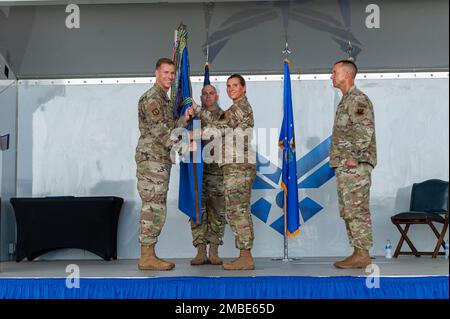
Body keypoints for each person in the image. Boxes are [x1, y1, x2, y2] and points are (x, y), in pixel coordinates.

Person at [189, 74, 257, 270]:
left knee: (238, 212)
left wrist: (192, 133)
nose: (231, 89)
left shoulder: (240, 108)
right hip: (234, 166)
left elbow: (217, 128)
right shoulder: (234, 109)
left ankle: (245, 257)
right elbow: (218, 122)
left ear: (244, 88)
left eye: (235, 85)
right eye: (228, 86)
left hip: (239, 167)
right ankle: (244, 255)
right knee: (238, 212)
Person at [135, 57, 192, 271]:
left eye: (172, 73)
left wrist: (185, 119)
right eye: (165, 72)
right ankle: (146, 256)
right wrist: (185, 147)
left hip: (159, 161)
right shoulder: (152, 98)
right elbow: (162, 133)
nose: (169, 77)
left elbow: (171, 127)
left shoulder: (164, 100)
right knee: (153, 206)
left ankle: (149, 254)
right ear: (156, 72)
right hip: (151, 161)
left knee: (157, 205)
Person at [329, 59, 377, 269]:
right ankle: (358, 251)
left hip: (354, 166)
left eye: (334, 72)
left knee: (357, 209)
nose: (331, 76)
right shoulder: (346, 100)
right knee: (349, 209)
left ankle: (362, 253)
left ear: (346, 75)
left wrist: (354, 157)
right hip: (346, 166)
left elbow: (364, 130)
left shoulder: (357, 99)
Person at [190, 84, 226, 266]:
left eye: (211, 93)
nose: (208, 97)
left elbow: (213, 130)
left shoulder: (225, 115)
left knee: (217, 212)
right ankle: (200, 250)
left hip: (217, 172)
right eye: (204, 94)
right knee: (197, 211)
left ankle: (214, 250)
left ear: (217, 96)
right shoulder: (194, 118)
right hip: (197, 171)